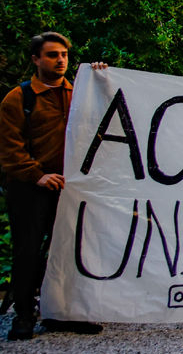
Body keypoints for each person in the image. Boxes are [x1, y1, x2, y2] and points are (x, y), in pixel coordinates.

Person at [0, 33, 107, 340]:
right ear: (35, 59)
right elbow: (9, 149)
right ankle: (24, 314)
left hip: (70, 188)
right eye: (51, 55)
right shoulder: (18, 99)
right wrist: (37, 175)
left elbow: (102, 117)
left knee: (69, 252)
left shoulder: (77, 93)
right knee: (28, 251)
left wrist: (101, 78)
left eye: (63, 55)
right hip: (31, 188)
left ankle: (63, 313)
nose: (60, 60)